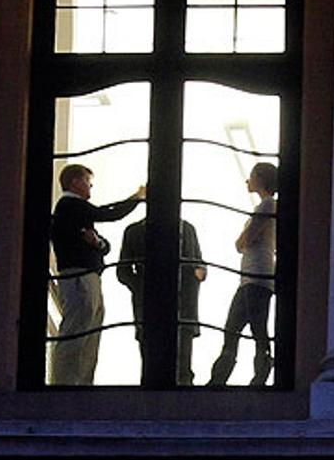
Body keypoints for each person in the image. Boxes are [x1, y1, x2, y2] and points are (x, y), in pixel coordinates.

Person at [48, 164, 145, 385]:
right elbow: (108, 214)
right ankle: (66, 383)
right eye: (87, 180)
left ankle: (78, 382)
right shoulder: (70, 205)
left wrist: (96, 242)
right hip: (79, 275)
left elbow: (104, 245)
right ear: (75, 182)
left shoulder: (74, 211)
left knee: (88, 329)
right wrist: (137, 197)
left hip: (86, 276)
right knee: (77, 329)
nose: (91, 185)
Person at [208, 162, 277, 387]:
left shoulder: (267, 206)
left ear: (260, 179)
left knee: (246, 328)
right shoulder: (266, 206)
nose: (247, 180)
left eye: (251, 176)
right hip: (254, 276)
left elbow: (245, 240)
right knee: (245, 327)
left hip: (256, 275)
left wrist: (242, 240)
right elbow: (244, 240)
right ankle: (238, 376)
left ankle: (250, 376)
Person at [117, 218, 207, 384]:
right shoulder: (185, 228)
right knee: (166, 367)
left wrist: (141, 287)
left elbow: (200, 264)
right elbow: (123, 272)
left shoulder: (186, 228)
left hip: (176, 307)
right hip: (166, 308)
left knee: (168, 368)